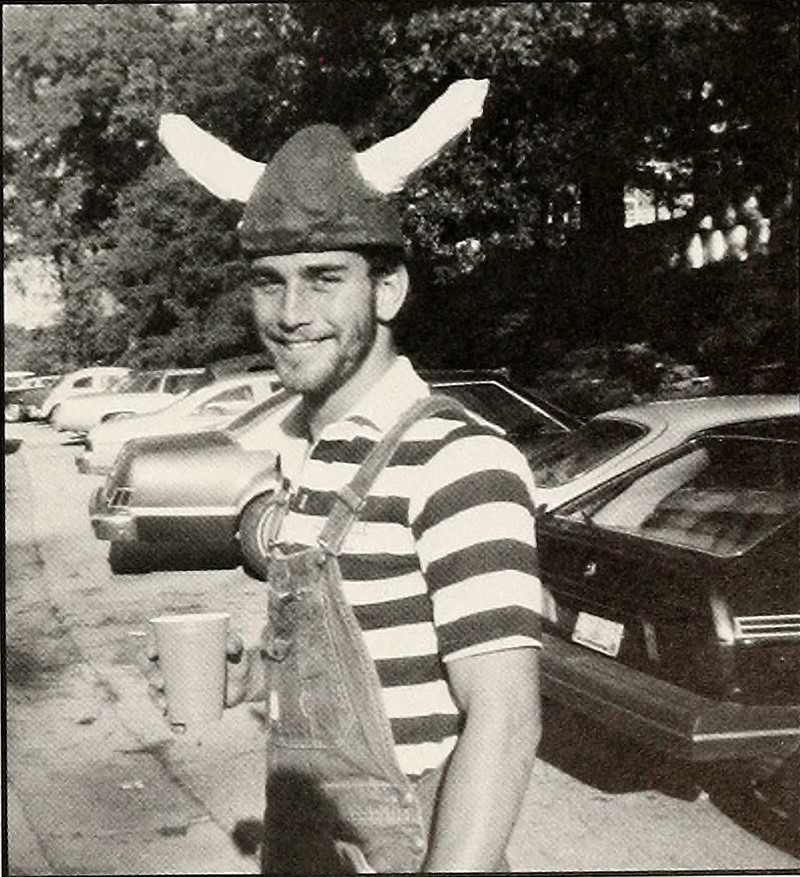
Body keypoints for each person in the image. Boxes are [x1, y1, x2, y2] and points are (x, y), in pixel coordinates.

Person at [151, 80, 543, 873]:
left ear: (388, 289)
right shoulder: (305, 452)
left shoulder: (457, 459)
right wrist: (255, 679)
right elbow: (372, 673)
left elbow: (505, 722)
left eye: (324, 277)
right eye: (270, 280)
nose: (290, 312)